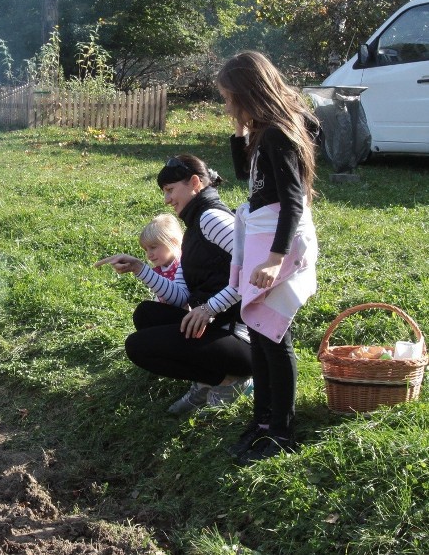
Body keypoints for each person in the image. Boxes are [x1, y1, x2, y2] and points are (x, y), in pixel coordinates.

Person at [216, 50, 320, 464]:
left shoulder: (279, 134)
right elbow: (247, 177)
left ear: (248, 91)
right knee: (258, 335)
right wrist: (240, 130)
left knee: (275, 339)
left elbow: (293, 204)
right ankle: (262, 423)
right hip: (263, 242)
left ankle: (282, 431)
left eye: (228, 97)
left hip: (280, 246)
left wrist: (276, 259)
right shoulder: (262, 133)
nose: (226, 106)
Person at [95, 155, 253, 415]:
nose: (167, 199)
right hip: (218, 327)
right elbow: (180, 297)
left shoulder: (211, 218)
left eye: (170, 190)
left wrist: (209, 308)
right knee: (146, 314)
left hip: (244, 338)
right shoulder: (194, 226)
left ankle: (228, 381)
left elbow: (256, 270)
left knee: (138, 347)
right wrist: (140, 268)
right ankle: (208, 380)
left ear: (194, 183)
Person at [138, 213, 183, 302]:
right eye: (146, 250)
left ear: (173, 242)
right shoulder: (160, 271)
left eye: (153, 247)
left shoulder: (185, 265)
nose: (149, 254)